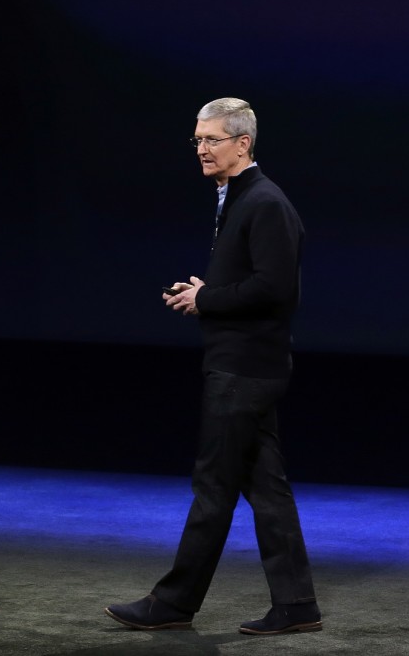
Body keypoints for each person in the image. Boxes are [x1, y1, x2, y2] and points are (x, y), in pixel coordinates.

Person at [106, 97, 321, 636]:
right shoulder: (238, 197)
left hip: (244, 370)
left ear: (242, 144)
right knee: (266, 488)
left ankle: (175, 601)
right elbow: (250, 281)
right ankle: (296, 606)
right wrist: (206, 292)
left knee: (213, 488)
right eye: (197, 140)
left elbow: (276, 289)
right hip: (241, 363)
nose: (201, 149)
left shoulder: (266, 202)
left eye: (211, 140)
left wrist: (208, 301)